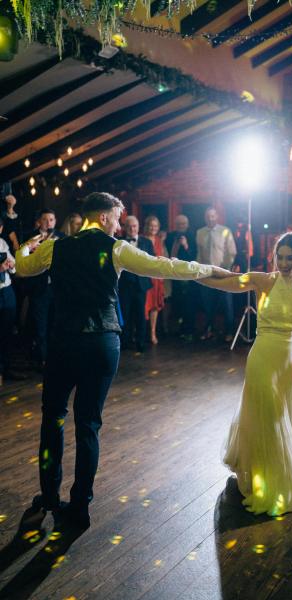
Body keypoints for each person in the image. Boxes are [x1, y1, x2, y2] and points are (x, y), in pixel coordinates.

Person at [15, 192, 233, 529]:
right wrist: (211, 270)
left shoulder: (55, 247)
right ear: (103, 217)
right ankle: (80, 505)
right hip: (101, 344)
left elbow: (23, 267)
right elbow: (168, 267)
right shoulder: (116, 249)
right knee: (88, 424)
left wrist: (25, 244)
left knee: (53, 419)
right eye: (117, 218)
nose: (119, 226)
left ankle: (48, 495)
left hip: (63, 343)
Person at [199, 231, 292, 516]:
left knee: (286, 421)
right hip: (262, 359)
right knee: (268, 422)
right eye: (280, 257)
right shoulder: (263, 280)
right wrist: (191, 273)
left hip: (289, 366)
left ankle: (255, 468)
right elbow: (227, 283)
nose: (284, 263)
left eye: (291, 258)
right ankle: (271, 485)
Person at [24, 208, 65, 368]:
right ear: (39, 221)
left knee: (56, 325)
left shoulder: (61, 238)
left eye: (52, 219)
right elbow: (23, 256)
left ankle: (56, 359)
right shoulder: (31, 237)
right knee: (40, 326)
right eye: (46, 219)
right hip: (39, 288)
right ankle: (43, 360)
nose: (49, 222)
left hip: (57, 289)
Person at [196, 207, 237, 342]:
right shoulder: (200, 232)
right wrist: (199, 271)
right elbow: (199, 255)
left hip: (222, 273)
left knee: (227, 304)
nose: (210, 218)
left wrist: (225, 269)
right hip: (206, 274)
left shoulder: (225, 231)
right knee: (208, 304)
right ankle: (210, 330)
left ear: (217, 217)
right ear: (204, 217)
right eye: (208, 216)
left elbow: (231, 252)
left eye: (213, 216)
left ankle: (229, 332)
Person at [118, 215, 154, 352]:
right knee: (125, 315)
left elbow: (152, 261)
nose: (132, 229)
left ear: (138, 227)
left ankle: (141, 343)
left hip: (141, 284)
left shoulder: (147, 242)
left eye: (134, 226)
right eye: (129, 226)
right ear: (125, 228)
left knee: (140, 315)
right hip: (124, 284)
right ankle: (125, 342)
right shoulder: (119, 242)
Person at [165, 214, 197, 339]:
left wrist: (186, 245)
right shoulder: (171, 236)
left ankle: (189, 330)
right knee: (177, 304)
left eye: (183, 224)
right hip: (173, 275)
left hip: (187, 276)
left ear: (187, 225)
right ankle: (179, 329)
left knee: (189, 304)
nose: (181, 226)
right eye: (178, 224)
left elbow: (194, 256)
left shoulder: (192, 236)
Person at [143, 215, 166, 345]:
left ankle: (152, 333)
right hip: (144, 276)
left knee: (154, 307)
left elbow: (161, 257)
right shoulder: (141, 239)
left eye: (156, 226)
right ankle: (140, 332)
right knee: (143, 305)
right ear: (146, 226)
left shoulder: (159, 240)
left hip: (156, 277)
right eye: (151, 225)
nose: (153, 228)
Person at [0, 217, 17, 387]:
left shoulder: (3, 243)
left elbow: (15, 266)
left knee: (7, 331)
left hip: (7, 290)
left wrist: (11, 264)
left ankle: (6, 368)